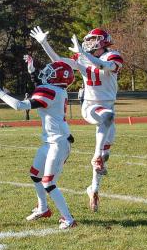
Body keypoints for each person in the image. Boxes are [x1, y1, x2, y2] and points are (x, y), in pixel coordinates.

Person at [31, 26, 123, 213]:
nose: (88, 42)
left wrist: (83, 55)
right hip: (90, 106)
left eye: (92, 39)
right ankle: (96, 157)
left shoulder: (112, 55)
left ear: (103, 41)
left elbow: (103, 66)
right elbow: (59, 61)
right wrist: (44, 43)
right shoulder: (83, 57)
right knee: (106, 118)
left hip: (107, 106)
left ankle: (93, 188)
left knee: (106, 154)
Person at [0, 58, 77, 230]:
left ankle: (69, 219)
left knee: (48, 182)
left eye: (51, 73)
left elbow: (20, 105)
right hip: (50, 141)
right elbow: (40, 85)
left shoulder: (51, 91)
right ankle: (43, 208)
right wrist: (32, 72)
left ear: (58, 78)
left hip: (58, 143)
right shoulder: (55, 90)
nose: (46, 74)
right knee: (35, 174)